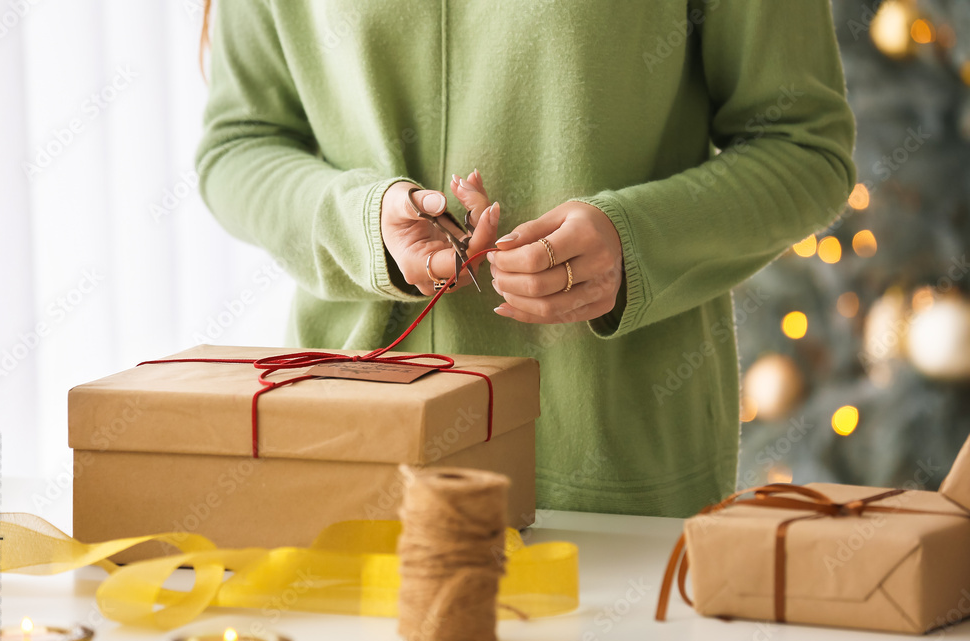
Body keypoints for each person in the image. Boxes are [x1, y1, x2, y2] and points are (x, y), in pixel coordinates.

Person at [195, 0, 856, 517]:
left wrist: (638, 241)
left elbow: (804, 146)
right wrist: (361, 222)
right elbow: (239, 144)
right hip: (343, 455)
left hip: (614, 469)